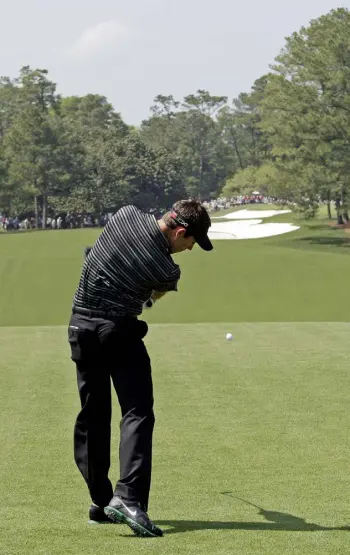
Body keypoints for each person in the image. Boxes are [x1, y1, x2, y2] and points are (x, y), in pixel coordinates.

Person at [68, 199, 213, 537]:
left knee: (94, 414)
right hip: (116, 332)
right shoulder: (167, 268)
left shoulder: (124, 215)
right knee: (137, 412)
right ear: (179, 231)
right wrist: (146, 295)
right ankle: (128, 499)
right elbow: (152, 297)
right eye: (191, 241)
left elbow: (101, 253)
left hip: (80, 327)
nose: (189, 248)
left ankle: (101, 501)